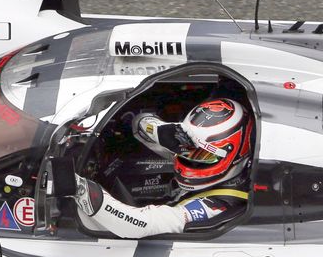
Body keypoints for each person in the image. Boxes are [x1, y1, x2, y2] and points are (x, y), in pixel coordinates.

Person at [72, 98, 253, 238]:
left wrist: (75, 186)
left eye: (202, 156)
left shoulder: (217, 206)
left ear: (238, 155)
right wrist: (160, 130)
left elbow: (138, 224)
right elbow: (138, 122)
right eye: (186, 150)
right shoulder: (191, 150)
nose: (190, 159)